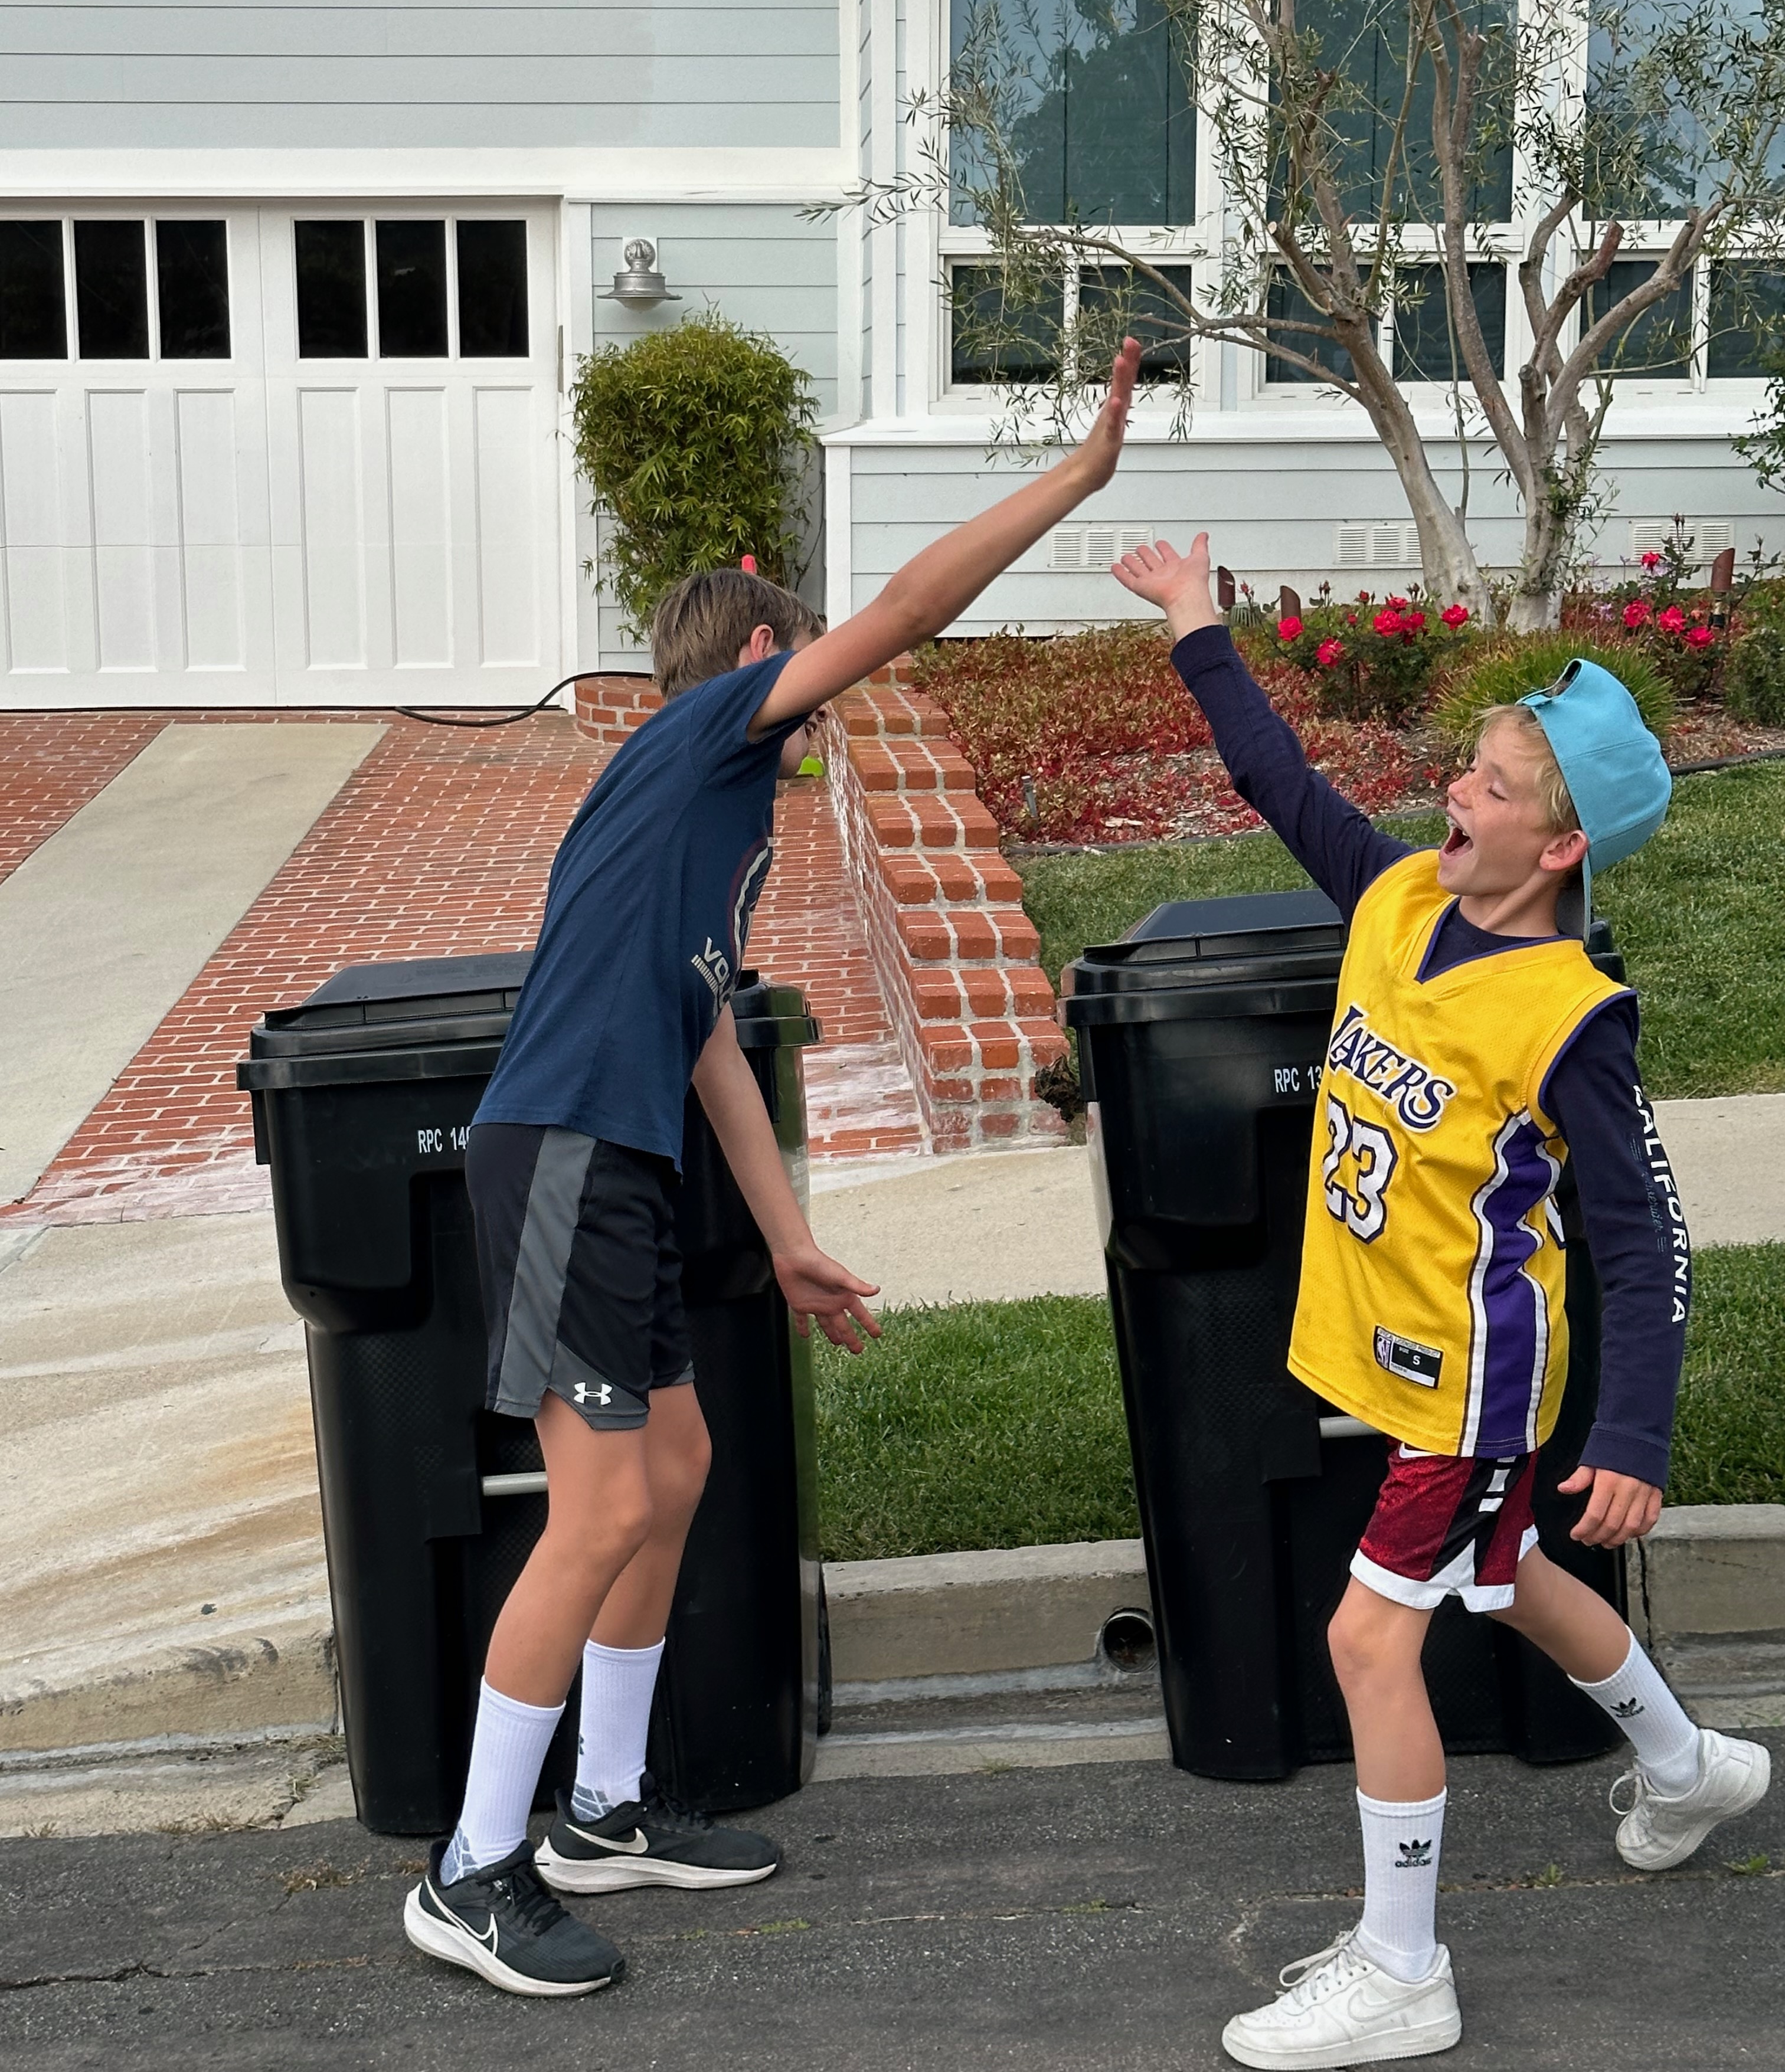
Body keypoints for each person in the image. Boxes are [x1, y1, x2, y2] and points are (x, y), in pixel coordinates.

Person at [403, 338, 1145, 1999]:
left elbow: (709, 1037)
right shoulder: (705, 734)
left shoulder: (703, 822)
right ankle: (470, 1870)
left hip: (628, 1154)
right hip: (565, 1159)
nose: (820, 673)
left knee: (674, 1468)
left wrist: (793, 1238)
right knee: (597, 1504)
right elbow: (913, 612)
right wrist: (1075, 481)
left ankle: (602, 1809)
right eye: (798, 650)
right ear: (756, 656)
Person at [1111, 534, 1771, 2070]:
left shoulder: (1567, 1019)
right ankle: (1686, 1765)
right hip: (1401, 1351)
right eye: (1465, 767)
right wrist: (1202, 623)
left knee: (1366, 1637)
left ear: (1558, 848)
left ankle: (1406, 1972)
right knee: (1499, 1570)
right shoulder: (1401, 901)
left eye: (1487, 783)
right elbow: (1287, 788)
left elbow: (1647, 1238)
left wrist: (1638, 1431)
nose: (1450, 794)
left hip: (1473, 1375)